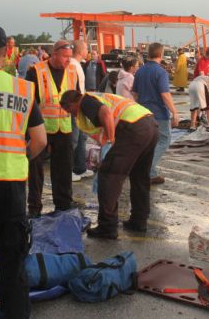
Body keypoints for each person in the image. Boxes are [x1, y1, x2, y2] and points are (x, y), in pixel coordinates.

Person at [0, 24, 47, 319]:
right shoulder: (24, 89)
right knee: (12, 259)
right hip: (11, 181)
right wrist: (19, 156)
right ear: (7, 53)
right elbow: (40, 140)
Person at [59, 91, 158, 239]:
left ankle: (107, 227)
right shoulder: (99, 97)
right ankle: (139, 221)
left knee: (109, 175)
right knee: (140, 177)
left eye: (68, 110)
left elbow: (105, 113)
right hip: (150, 125)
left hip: (133, 128)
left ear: (72, 103)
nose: (70, 114)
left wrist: (111, 141)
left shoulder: (85, 101)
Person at [25, 40, 80, 217]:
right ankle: (34, 207)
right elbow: (29, 101)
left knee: (64, 168)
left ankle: (63, 204)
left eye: (70, 57)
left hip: (63, 128)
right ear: (54, 54)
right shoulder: (36, 70)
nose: (68, 61)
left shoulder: (72, 71)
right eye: (65, 56)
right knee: (35, 169)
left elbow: (76, 97)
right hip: (40, 128)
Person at [132, 43, 179, 185]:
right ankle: (148, 170)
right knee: (164, 140)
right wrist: (175, 113)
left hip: (143, 113)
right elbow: (165, 94)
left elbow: (134, 93)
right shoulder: (161, 72)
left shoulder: (140, 71)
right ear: (161, 54)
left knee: (148, 143)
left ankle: (147, 171)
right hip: (159, 113)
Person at [70, 40, 94, 182]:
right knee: (74, 139)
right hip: (76, 107)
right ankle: (70, 169)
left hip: (80, 106)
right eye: (86, 48)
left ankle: (80, 167)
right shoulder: (73, 65)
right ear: (80, 51)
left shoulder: (78, 64)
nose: (88, 51)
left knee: (81, 138)